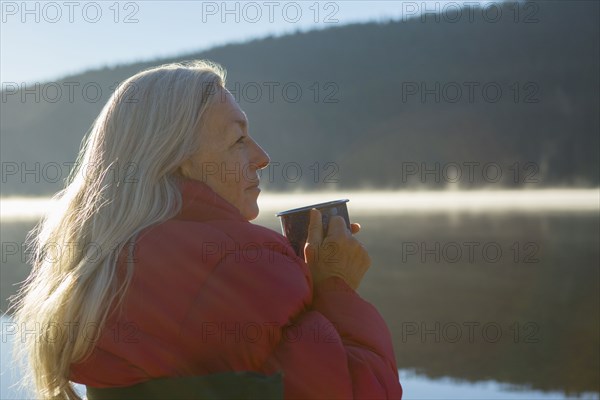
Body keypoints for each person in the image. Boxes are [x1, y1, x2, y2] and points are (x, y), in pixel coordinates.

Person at [13, 61, 402, 399]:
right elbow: (358, 390)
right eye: (239, 140)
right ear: (178, 159)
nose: (262, 158)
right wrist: (336, 286)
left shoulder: (102, 266)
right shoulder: (245, 260)